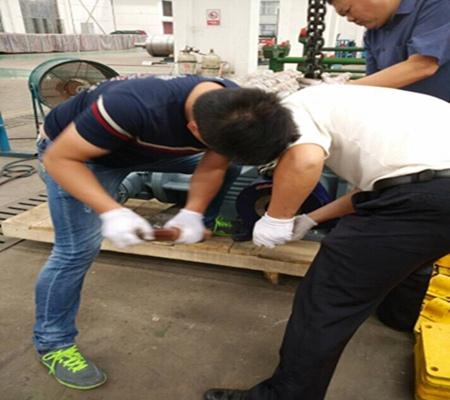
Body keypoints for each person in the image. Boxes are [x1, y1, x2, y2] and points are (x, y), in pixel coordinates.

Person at [183, 83, 450, 400]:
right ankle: (399, 317)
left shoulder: (296, 111)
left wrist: (277, 217)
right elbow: (379, 188)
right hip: (431, 194)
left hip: (424, 197)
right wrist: (310, 219)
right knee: (413, 249)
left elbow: (306, 161)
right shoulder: (335, 101)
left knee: (326, 299)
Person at [34, 74, 288, 390]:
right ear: (194, 129)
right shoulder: (131, 105)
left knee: (231, 166)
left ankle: (200, 222)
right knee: (75, 251)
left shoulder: (235, 108)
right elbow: (59, 158)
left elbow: (213, 165)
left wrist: (193, 212)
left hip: (143, 147)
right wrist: (111, 211)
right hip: (80, 155)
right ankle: (53, 343)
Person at [326, 0, 450, 331]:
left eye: (348, 10)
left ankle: (400, 316)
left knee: (420, 229)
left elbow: (423, 66)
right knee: (385, 216)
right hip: (407, 136)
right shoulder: (374, 34)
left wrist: (333, 95)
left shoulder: (437, 5)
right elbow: (374, 95)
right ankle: (387, 298)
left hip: (442, 143)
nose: (350, 19)